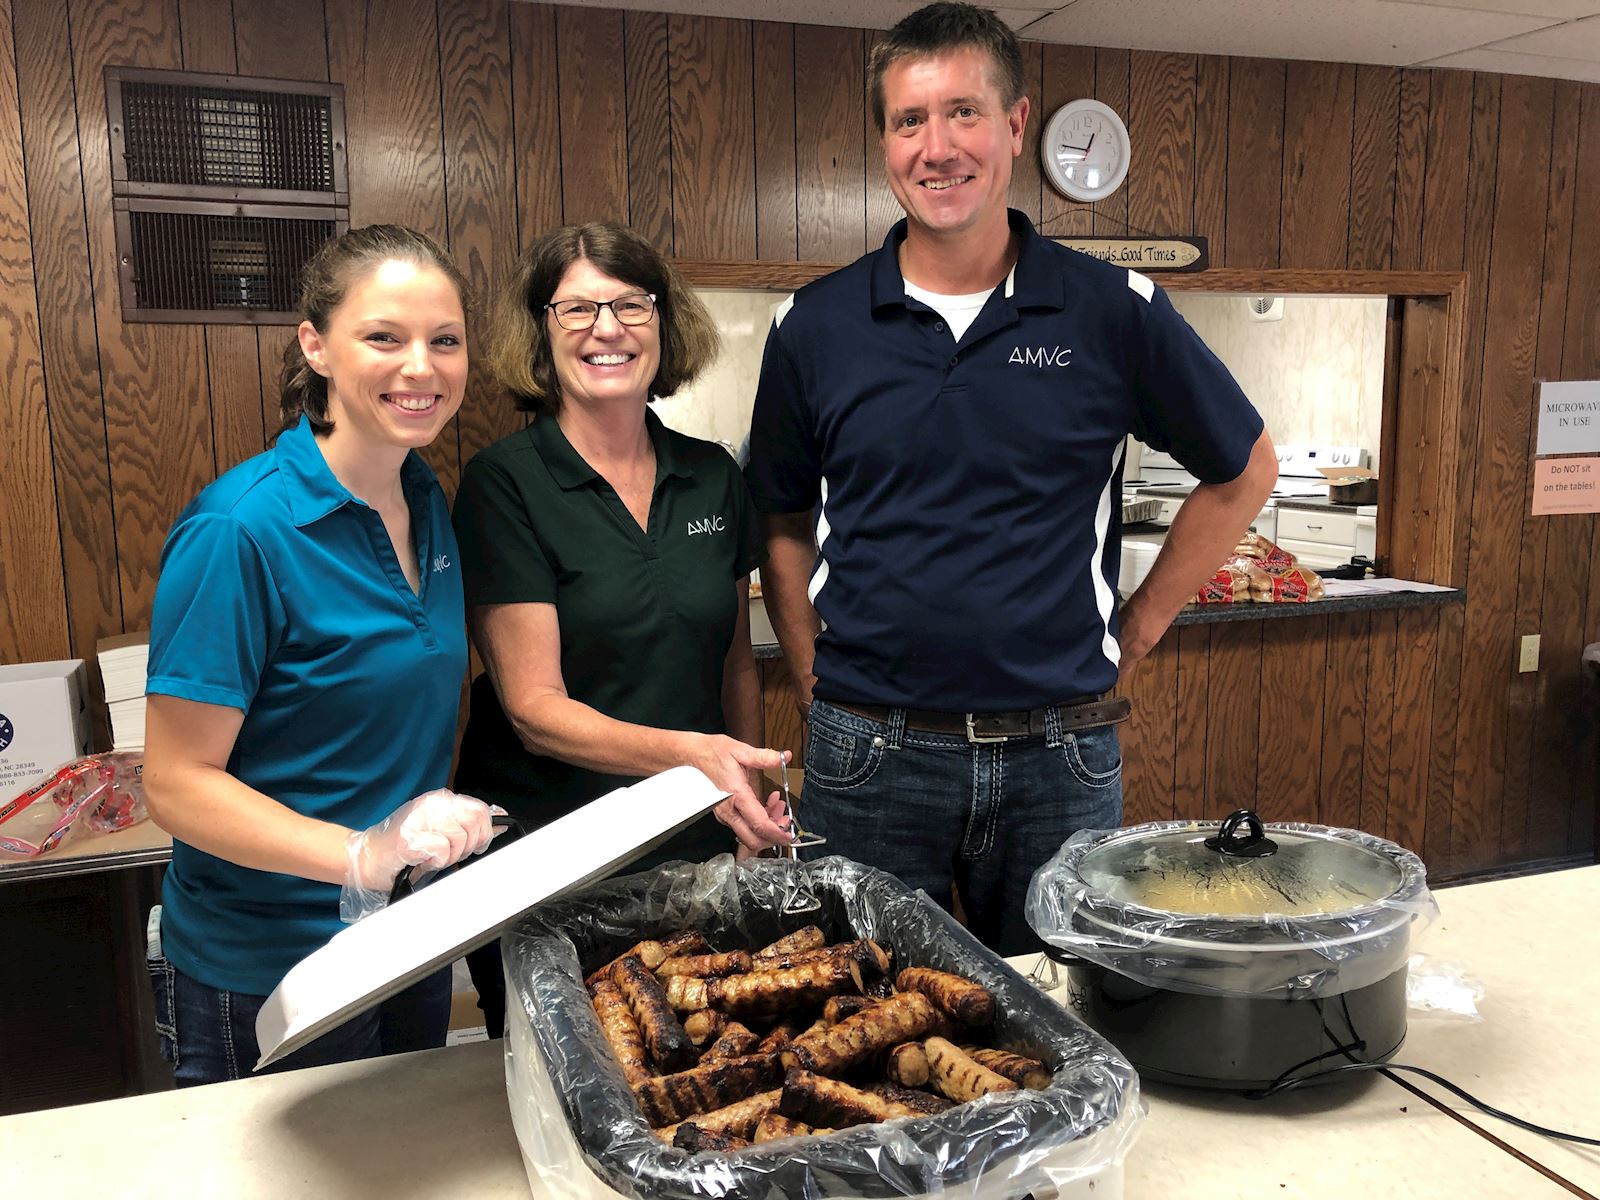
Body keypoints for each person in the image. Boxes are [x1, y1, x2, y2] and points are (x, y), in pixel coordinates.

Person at [746, 1, 1278, 955]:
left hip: (1058, 756)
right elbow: (781, 516)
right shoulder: (812, 328)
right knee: (853, 1021)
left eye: (964, 113)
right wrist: (809, 666)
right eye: (909, 121)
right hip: (869, 753)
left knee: (1067, 1020)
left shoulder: (1113, 311)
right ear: (883, 141)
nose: (937, 146)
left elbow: (1244, 470)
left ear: (1017, 126)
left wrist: (1144, 621)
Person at [142, 225, 498, 1085]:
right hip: (268, 965)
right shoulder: (241, 530)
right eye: (385, 336)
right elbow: (175, 783)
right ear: (317, 346)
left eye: (444, 341)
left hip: (400, 937)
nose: (422, 367)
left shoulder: (425, 497)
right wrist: (354, 856)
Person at [452, 222, 793, 1036]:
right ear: (541, 330)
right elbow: (534, 711)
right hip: (551, 857)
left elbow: (734, 663)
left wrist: (754, 794)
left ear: (665, 323)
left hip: (690, 847)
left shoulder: (711, 475)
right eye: (576, 309)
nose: (607, 329)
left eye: (631, 305)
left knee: (693, 1060)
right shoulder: (506, 485)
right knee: (566, 1075)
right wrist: (698, 755)